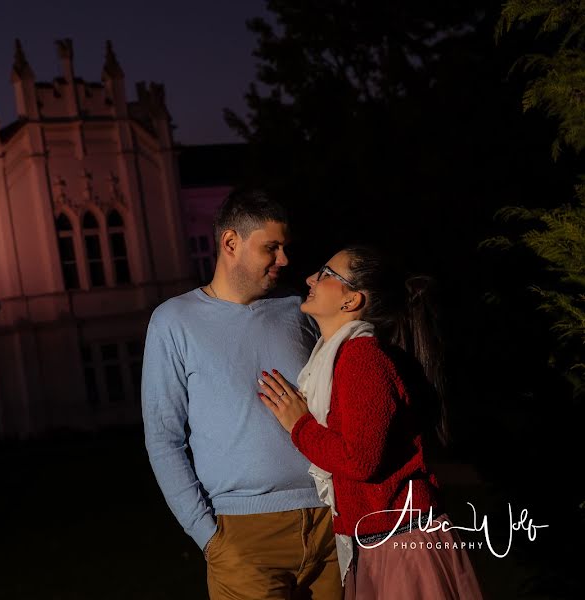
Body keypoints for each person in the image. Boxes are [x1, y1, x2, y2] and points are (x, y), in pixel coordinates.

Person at [142, 190, 342, 599]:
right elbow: (164, 438)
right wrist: (209, 537)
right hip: (244, 539)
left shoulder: (298, 310)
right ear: (230, 243)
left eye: (285, 247)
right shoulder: (173, 321)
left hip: (328, 525)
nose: (284, 260)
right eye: (271, 247)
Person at [257, 246, 483, 599]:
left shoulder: (363, 359)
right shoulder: (345, 357)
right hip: (384, 541)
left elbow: (360, 460)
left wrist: (300, 426)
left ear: (351, 301)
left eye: (326, 274)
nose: (310, 279)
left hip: (402, 544)